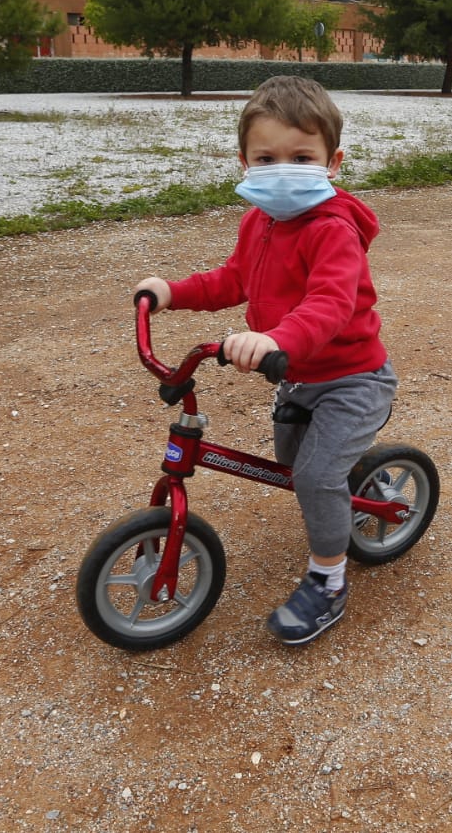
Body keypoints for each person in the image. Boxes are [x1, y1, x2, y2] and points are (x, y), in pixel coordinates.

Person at [135, 76, 395, 646]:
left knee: (313, 474)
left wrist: (277, 338)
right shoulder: (259, 220)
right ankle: (339, 489)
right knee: (295, 463)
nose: (283, 168)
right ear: (244, 162)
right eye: (267, 156)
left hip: (352, 379)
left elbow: (330, 304)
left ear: (333, 162)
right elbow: (234, 278)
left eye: (302, 157)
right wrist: (173, 291)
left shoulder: (332, 229)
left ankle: (328, 582)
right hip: (299, 375)